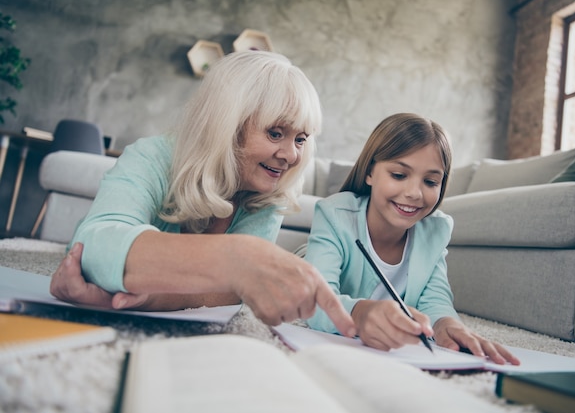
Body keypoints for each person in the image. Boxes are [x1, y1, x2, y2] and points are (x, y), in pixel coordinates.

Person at [49, 50, 355, 337]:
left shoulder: (268, 192)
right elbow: (93, 247)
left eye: (300, 139)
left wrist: (148, 298)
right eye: (275, 133)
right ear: (226, 124)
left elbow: (231, 294)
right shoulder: (152, 157)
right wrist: (237, 259)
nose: (290, 155)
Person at [304, 113, 520, 364]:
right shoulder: (334, 215)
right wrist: (359, 313)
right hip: (308, 260)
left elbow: (435, 298)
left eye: (430, 181)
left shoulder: (436, 230)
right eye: (399, 175)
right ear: (370, 172)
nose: (414, 193)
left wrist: (446, 324)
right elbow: (314, 302)